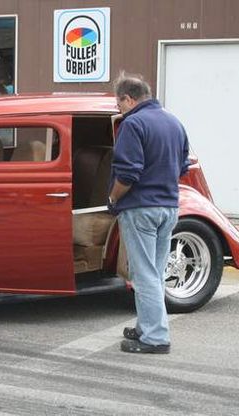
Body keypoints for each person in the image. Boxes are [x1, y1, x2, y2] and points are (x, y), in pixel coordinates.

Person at [108, 72, 190, 354]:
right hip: (169, 208)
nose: (119, 110)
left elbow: (128, 173)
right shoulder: (173, 122)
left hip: (140, 208)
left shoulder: (133, 124)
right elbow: (183, 166)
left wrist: (112, 198)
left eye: (119, 104)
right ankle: (145, 326)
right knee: (153, 273)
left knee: (144, 276)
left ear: (128, 99)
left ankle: (155, 337)